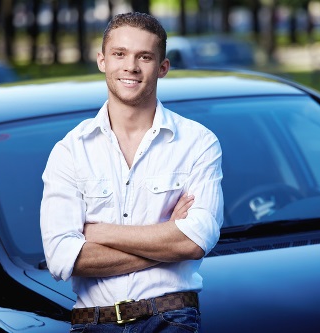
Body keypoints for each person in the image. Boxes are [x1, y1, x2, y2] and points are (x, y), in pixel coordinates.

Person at [40, 12, 223, 333]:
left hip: (171, 317)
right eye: (119, 54)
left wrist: (99, 232)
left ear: (162, 67)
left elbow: (195, 240)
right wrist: (167, 238)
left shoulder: (198, 142)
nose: (131, 66)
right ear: (102, 61)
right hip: (91, 322)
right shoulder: (69, 150)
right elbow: (61, 258)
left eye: (145, 57)